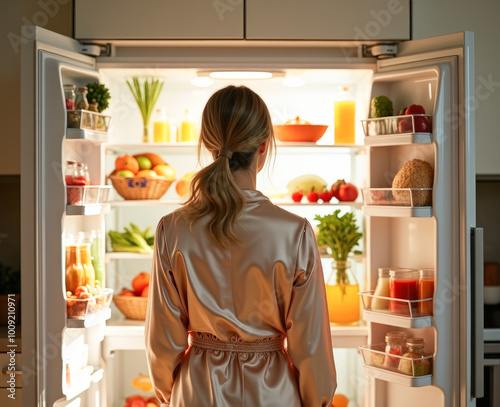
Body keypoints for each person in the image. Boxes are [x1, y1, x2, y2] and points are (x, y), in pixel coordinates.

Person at [145, 85, 337, 407]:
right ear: (263, 146)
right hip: (273, 395)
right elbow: (311, 347)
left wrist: (172, 395)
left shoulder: (172, 229)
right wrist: (317, 402)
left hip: (198, 392)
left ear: (208, 144)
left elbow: (162, 344)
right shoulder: (295, 232)